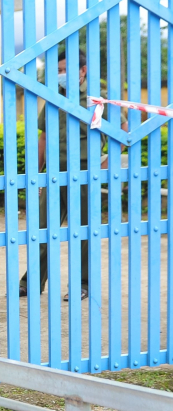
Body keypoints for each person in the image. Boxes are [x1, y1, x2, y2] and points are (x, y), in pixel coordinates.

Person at [19, 49, 125, 301]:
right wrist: (37, 173)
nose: (61, 75)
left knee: (84, 232)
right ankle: (32, 282)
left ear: (83, 70)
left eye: (65, 70)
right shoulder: (56, 97)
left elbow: (122, 129)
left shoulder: (95, 99)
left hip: (85, 175)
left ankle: (82, 284)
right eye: (58, 70)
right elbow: (44, 137)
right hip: (55, 175)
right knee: (43, 229)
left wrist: (105, 163)